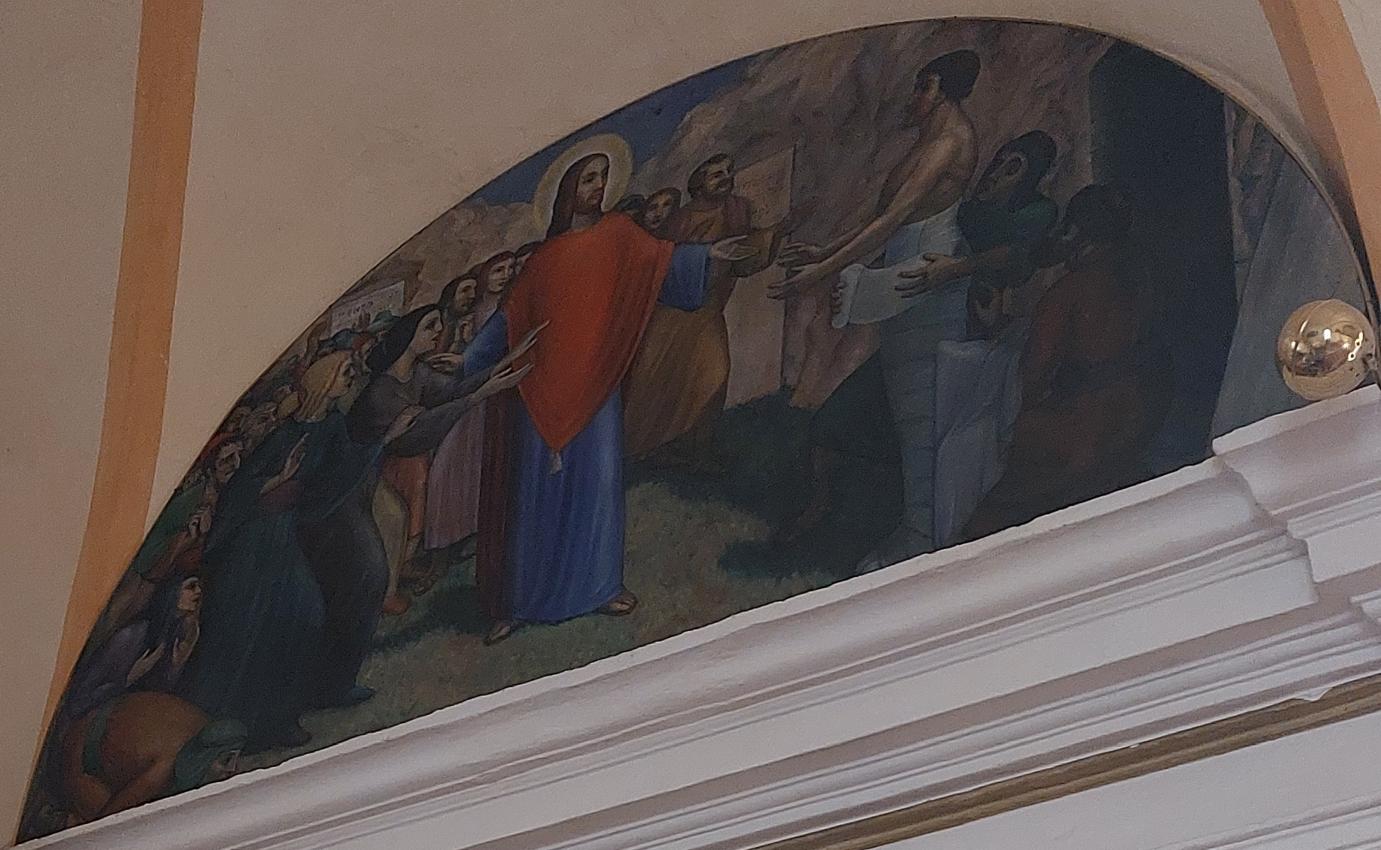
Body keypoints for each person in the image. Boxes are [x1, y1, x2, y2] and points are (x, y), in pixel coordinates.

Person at [465, 148, 756, 644]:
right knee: (534, 501)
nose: (598, 186)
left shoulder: (620, 234)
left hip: (598, 387)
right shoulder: (543, 260)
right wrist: (467, 362)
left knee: (596, 490)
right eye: (588, 179)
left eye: (603, 177)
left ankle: (599, 587)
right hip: (540, 391)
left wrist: (708, 255)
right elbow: (509, 319)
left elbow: (661, 262)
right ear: (567, 190)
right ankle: (520, 602)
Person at [778, 131, 1059, 544]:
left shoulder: (1036, 213)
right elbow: (903, 241)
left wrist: (956, 270)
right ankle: (820, 510)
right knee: (834, 423)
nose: (998, 173)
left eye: (1013, 167)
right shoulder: (968, 211)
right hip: (916, 336)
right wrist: (849, 272)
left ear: (1029, 175)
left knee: (938, 442)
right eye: (1000, 161)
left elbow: (1018, 257)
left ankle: (931, 531)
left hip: (964, 342)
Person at [771, 50, 981, 571]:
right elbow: (883, 218)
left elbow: (894, 218)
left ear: (941, 89)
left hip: (924, 280)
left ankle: (927, 535)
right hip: (903, 278)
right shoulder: (928, 141)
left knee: (922, 410)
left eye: (922, 86)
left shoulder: (949, 141)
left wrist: (822, 272)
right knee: (904, 403)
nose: (914, 98)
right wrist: (825, 253)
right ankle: (916, 528)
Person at [178, 353, 397, 749]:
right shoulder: (284, 434)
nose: (352, 379)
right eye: (346, 373)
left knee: (305, 615)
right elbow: (239, 493)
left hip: (284, 536)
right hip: (254, 540)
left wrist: (382, 442)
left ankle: (276, 718)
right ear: (325, 380)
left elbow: (337, 476)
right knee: (247, 621)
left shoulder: (333, 427)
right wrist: (278, 479)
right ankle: (223, 719)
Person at [961, 185, 1170, 539]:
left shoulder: (1070, 291)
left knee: (969, 444)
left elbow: (1029, 382)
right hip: (1130, 428)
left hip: (1078, 438)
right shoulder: (1139, 285)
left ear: (1077, 233)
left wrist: (991, 335)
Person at [347, 305, 533, 616]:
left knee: (417, 495)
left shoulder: (418, 373)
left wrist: (502, 364)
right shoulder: (381, 391)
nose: (438, 332)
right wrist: (479, 396)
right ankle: (386, 590)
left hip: (401, 461)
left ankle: (401, 564)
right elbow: (418, 431)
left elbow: (451, 391)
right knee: (396, 516)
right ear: (408, 337)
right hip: (364, 472)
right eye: (430, 326)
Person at [624, 155, 774, 472]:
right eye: (715, 174)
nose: (724, 177)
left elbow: (744, 258)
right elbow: (660, 263)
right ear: (698, 183)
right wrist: (706, 254)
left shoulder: (736, 211)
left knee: (713, 375)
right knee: (660, 381)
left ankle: (699, 451)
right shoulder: (680, 220)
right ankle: (651, 447)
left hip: (707, 312)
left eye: (728, 172)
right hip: (672, 316)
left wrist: (776, 234)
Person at [91, 435, 243, 648]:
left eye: (238, 456)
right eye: (226, 459)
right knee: (117, 624)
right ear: (211, 465)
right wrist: (187, 539)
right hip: (149, 575)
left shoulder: (219, 499)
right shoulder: (192, 498)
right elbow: (158, 540)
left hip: (168, 579)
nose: (235, 464)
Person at [58, 691, 246, 826]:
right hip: (79, 759)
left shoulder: (202, 724)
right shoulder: (166, 766)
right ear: (205, 755)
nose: (231, 770)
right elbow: (110, 821)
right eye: (225, 761)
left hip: (102, 724)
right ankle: (59, 819)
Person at [60, 576, 204, 733]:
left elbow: (155, 699)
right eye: (191, 586)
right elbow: (77, 703)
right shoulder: (131, 636)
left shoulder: (170, 639)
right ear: (171, 592)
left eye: (198, 586)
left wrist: (177, 665)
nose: (198, 591)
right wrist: (129, 678)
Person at [422, 276, 487, 587]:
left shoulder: (476, 322)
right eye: (465, 290)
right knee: (441, 479)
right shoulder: (437, 325)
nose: (470, 296)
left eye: (474, 290)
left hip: (473, 410)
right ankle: (437, 556)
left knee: (471, 476)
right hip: (442, 414)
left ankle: (465, 538)